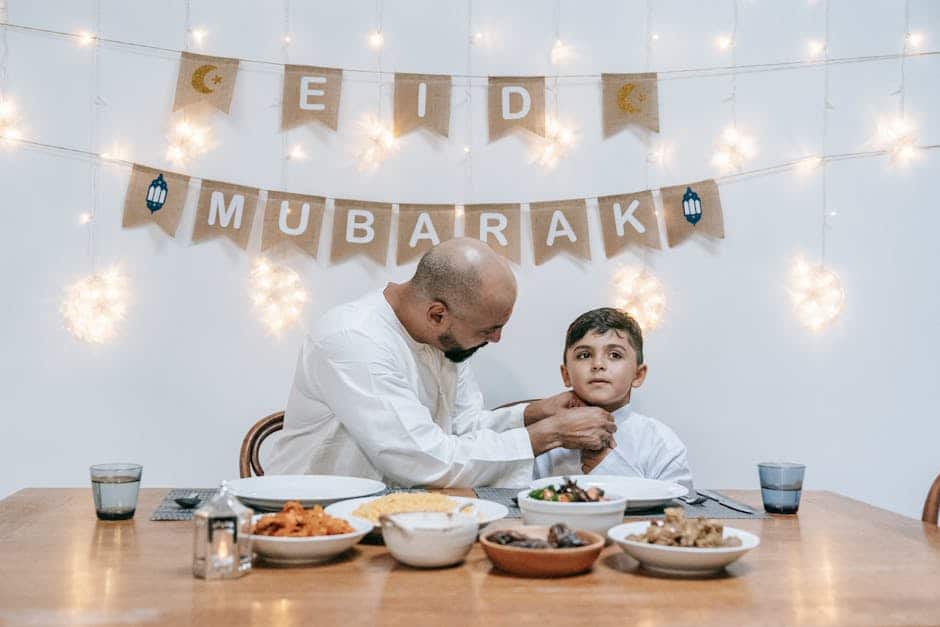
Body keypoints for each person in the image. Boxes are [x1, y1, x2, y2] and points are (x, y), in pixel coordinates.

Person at [267, 238, 617, 487]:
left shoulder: (445, 340)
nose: (496, 339)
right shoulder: (354, 339)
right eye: (489, 328)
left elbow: (463, 431)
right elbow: (423, 459)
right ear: (437, 314)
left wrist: (536, 413)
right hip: (310, 519)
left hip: (397, 517)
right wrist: (550, 435)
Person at [533, 307, 694, 490]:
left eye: (615, 355)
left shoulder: (660, 441)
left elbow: (681, 504)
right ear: (566, 374)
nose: (598, 365)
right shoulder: (546, 437)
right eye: (584, 355)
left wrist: (607, 463)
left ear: (638, 375)